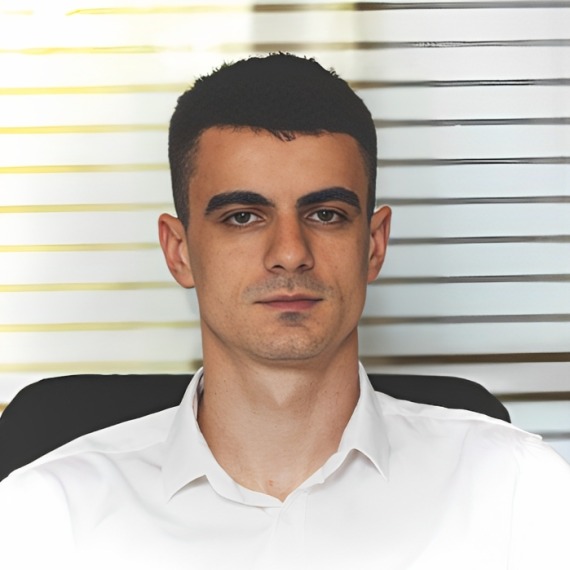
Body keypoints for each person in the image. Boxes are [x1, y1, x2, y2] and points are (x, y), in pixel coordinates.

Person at [0, 53, 569, 570]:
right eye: (243, 217)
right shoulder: (46, 518)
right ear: (179, 251)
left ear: (374, 245)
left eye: (326, 214)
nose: (291, 253)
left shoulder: (517, 491)